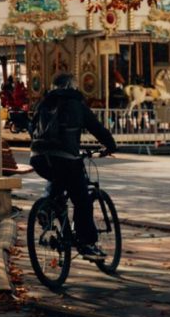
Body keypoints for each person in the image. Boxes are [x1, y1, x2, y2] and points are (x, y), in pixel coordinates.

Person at [29, 72, 117, 260]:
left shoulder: (43, 103)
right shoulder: (77, 104)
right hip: (65, 156)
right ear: (71, 86)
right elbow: (97, 128)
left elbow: (32, 128)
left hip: (38, 157)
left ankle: (47, 208)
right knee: (82, 200)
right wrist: (110, 145)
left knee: (58, 179)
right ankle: (87, 243)